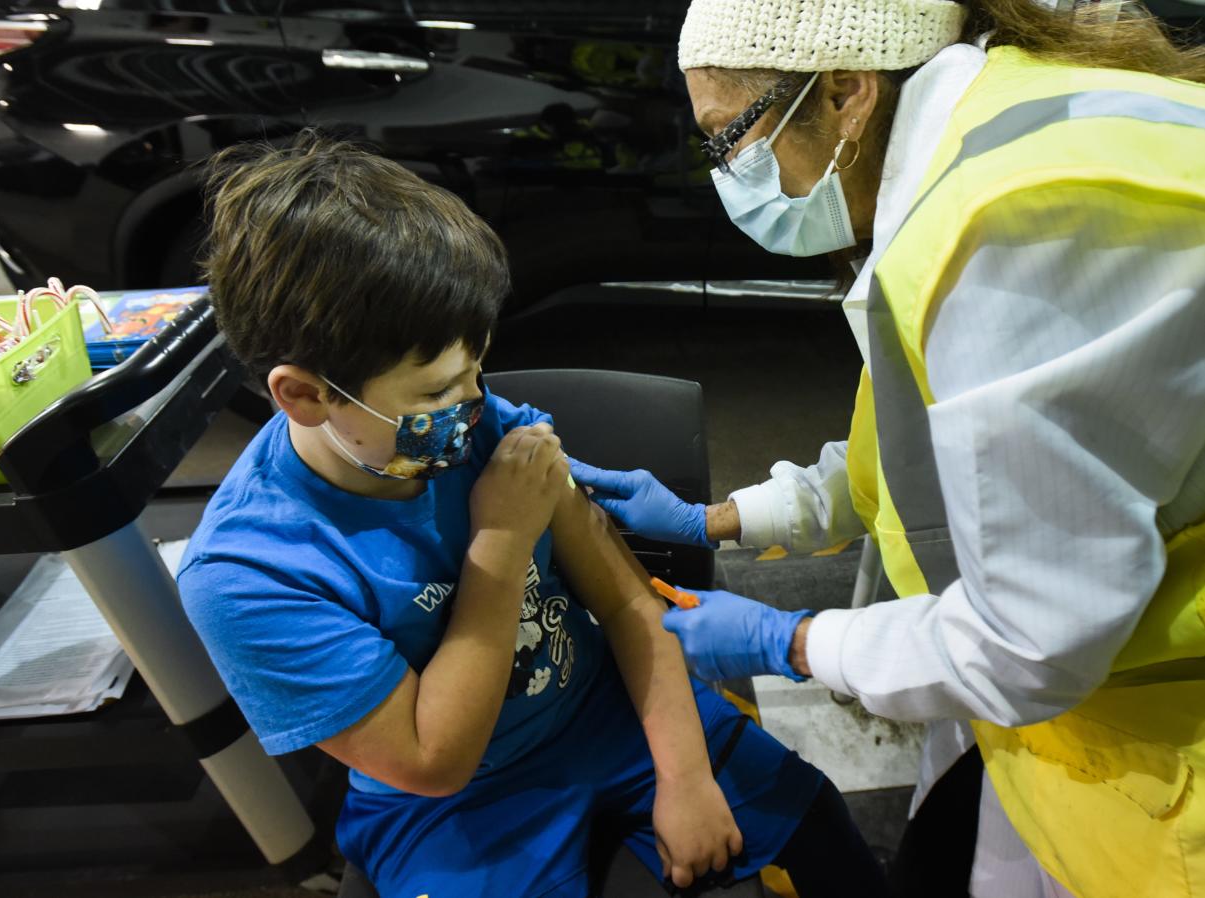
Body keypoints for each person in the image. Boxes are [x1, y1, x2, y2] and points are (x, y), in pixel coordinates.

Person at [569, 1, 1205, 897]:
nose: (727, 174)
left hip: (1149, 738)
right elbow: (926, 454)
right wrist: (717, 519)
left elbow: (1031, 644)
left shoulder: (1012, 226)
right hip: (1057, 710)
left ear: (844, 94)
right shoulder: (993, 134)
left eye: (729, 139)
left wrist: (792, 640)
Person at [174, 132, 888, 898]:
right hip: (451, 802)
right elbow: (432, 759)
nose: (474, 405)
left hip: (603, 710)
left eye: (476, 366)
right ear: (304, 395)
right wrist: (503, 540)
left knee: (815, 824)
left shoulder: (484, 428)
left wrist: (684, 778)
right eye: (434, 392)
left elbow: (624, 600)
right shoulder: (247, 575)